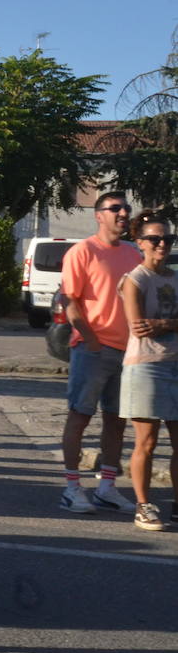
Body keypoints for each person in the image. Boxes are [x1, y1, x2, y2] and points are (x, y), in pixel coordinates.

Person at [58, 191, 141, 515]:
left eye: (125, 208)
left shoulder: (133, 254)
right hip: (93, 349)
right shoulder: (83, 251)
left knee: (117, 421)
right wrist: (91, 339)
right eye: (115, 208)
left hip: (128, 351)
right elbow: (70, 300)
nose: (122, 213)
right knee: (80, 416)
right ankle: (71, 488)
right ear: (99, 214)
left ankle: (107, 487)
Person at [117, 211, 178, 531]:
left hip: (176, 364)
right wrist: (167, 325)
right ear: (140, 242)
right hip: (146, 367)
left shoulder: (176, 277)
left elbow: (153, 325)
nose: (162, 244)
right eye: (155, 239)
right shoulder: (135, 280)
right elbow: (138, 328)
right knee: (147, 442)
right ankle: (143, 505)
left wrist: (163, 324)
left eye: (168, 239)